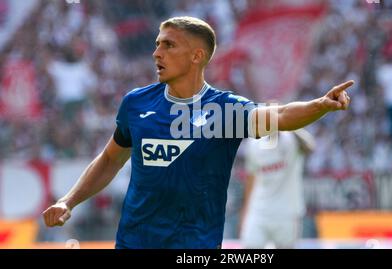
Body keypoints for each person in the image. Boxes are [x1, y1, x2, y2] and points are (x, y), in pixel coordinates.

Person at [42, 16, 353, 249]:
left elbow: (281, 115)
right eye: (157, 44)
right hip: (135, 242)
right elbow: (110, 159)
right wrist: (68, 201)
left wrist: (320, 105)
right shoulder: (136, 103)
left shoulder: (224, 111)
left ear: (197, 56)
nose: (156, 53)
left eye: (168, 44)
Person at [240, 129, 315, 249]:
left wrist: (288, 125)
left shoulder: (293, 139)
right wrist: (244, 214)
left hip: (287, 213)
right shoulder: (253, 143)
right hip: (259, 211)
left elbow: (310, 147)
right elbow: (251, 179)